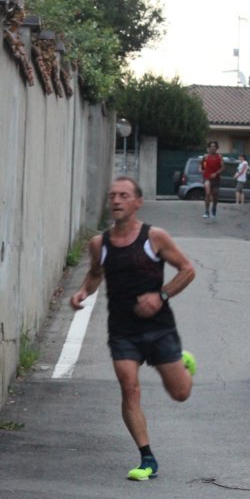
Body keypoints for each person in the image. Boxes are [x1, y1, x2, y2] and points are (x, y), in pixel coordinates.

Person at [69, 177, 197, 481]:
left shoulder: (155, 238)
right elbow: (95, 273)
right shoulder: (99, 244)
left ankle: (184, 363)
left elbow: (187, 270)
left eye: (124, 195)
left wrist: (160, 296)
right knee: (129, 387)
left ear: (138, 202)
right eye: (112, 195)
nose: (116, 200)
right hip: (122, 330)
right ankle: (147, 458)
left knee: (180, 393)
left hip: (159, 328)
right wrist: (83, 291)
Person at [200, 140, 222, 219]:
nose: (212, 148)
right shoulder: (206, 157)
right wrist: (201, 169)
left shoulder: (219, 157)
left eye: (214, 146)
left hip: (216, 178)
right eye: (211, 146)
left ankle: (214, 208)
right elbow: (202, 165)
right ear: (209, 148)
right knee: (208, 193)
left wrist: (216, 173)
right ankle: (206, 211)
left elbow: (222, 167)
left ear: (217, 148)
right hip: (207, 177)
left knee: (215, 194)